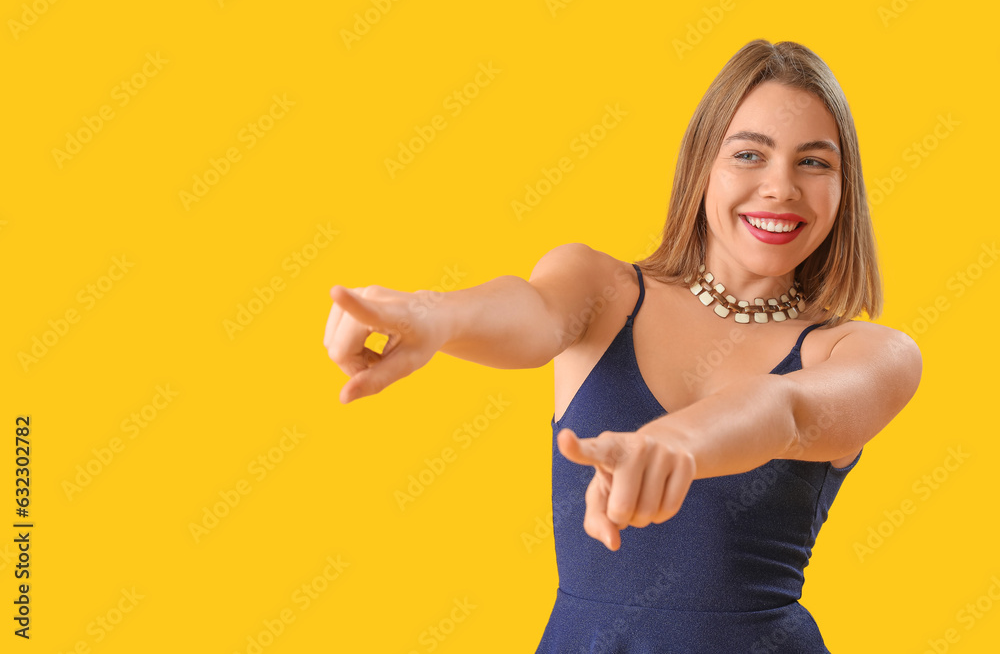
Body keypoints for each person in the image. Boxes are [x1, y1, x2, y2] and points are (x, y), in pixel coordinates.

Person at [323, 39, 922, 653]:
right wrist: (437, 313)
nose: (780, 187)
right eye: (748, 154)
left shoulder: (870, 354)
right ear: (702, 167)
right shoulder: (603, 292)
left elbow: (787, 411)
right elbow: (530, 311)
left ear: (844, 189)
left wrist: (677, 443)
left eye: (814, 163)